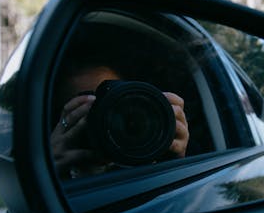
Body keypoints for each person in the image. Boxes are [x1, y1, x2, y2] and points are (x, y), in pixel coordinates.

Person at [51, 62, 189, 180]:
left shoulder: (149, 149)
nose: (104, 116)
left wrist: (174, 158)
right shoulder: (59, 167)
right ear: (64, 119)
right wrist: (52, 166)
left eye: (111, 101)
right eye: (89, 108)